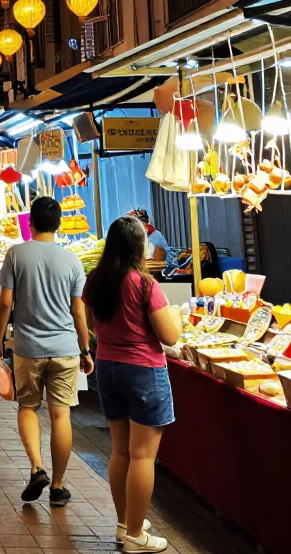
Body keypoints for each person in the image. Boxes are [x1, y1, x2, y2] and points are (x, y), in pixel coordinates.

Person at [84, 214, 182, 552]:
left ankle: (125, 523)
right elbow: (169, 336)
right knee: (142, 456)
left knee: (120, 450)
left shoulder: (96, 280)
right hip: (143, 370)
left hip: (108, 366)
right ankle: (136, 536)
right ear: (138, 246)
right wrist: (177, 318)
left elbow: (90, 324)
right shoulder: (144, 285)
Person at [0, 196, 92, 509]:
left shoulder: (16, 254)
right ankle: (59, 487)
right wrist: (85, 348)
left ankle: (37, 468)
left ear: (30, 223)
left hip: (28, 347)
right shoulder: (72, 260)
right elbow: (79, 310)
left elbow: (5, 304)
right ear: (59, 224)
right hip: (65, 349)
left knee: (28, 407)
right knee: (61, 414)